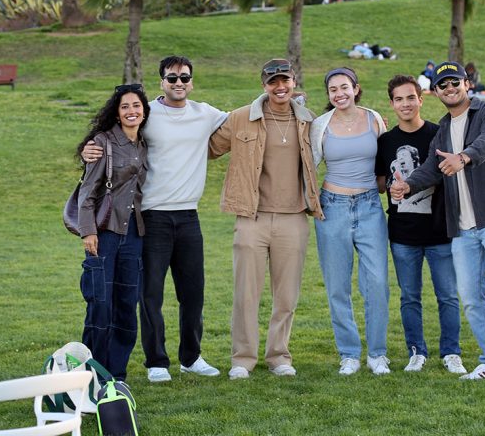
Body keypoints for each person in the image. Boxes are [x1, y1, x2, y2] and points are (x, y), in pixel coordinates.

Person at [83, 56, 227, 383]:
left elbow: (242, 120)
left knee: (193, 293)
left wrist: (282, 99)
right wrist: (86, 150)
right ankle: (156, 361)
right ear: (162, 81)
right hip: (151, 216)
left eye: (184, 78)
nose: (179, 83)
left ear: (191, 82)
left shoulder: (205, 113)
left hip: (189, 215)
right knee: (150, 294)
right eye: (172, 78)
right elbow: (109, 134)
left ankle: (191, 357)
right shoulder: (147, 113)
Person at [390, 62, 485, 388]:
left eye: (454, 82)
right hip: (464, 228)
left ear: (466, 83)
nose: (449, 88)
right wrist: (407, 186)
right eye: (443, 84)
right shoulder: (442, 130)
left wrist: (463, 157)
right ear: (436, 91)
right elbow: (430, 169)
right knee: (471, 297)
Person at [208, 59, 322, 380]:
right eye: (273, 82)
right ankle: (242, 360)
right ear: (264, 86)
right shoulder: (241, 118)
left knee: (286, 295)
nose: (280, 87)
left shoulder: (308, 121)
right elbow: (206, 147)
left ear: (294, 82)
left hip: (295, 218)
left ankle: (279, 356)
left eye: (284, 80)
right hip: (251, 217)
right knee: (246, 293)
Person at [375, 75, 465, 374]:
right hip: (402, 234)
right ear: (391, 103)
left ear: (420, 99)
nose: (405, 104)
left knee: (448, 295)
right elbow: (378, 183)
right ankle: (417, 351)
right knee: (410, 297)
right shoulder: (385, 141)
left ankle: (451, 352)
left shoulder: (439, 134)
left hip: (440, 232)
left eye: (410, 98)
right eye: (398, 99)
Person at [309, 67, 390, 376]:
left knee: (378, 283)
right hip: (333, 208)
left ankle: (377, 354)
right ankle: (349, 354)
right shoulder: (320, 125)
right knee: (337, 286)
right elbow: (308, 165)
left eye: (344, 87)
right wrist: (311, 201)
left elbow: (385, 160)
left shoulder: (374, 119)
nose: (339, 93)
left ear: (356, 88)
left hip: (370, 206)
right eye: (333, 90)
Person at [76, 84, 150, 381]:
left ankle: (116, 373)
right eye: (125, 107)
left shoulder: (145, 144)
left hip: (134, 234)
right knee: (100, 303)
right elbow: (87, 193)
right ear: (117, 114)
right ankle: (92, 370)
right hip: (103, 233)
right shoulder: (102, 143)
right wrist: (87, 232)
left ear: (144, 111)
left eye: (136, 106)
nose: (131, 111)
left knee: (125, 305)